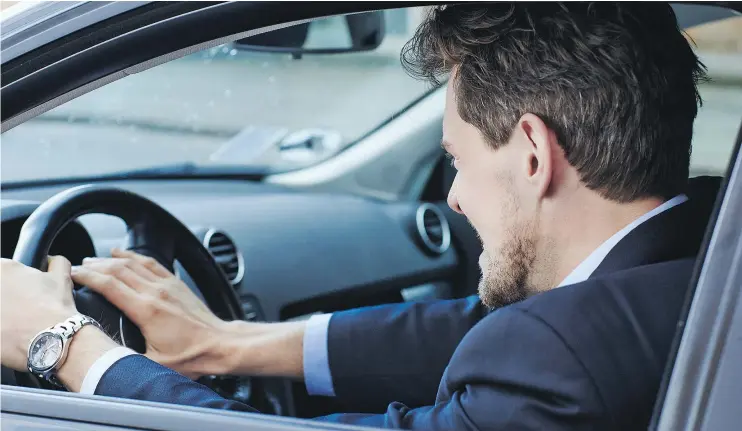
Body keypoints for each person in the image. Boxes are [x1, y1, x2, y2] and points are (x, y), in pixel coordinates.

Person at [1, 2, 717, 430]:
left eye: (458, 160)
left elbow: (528, 352)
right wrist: (227, 343)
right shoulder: (703, 252)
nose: (454, 198)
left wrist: (63, 340)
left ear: (532, 154)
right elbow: (481, 330)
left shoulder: (562, 363)